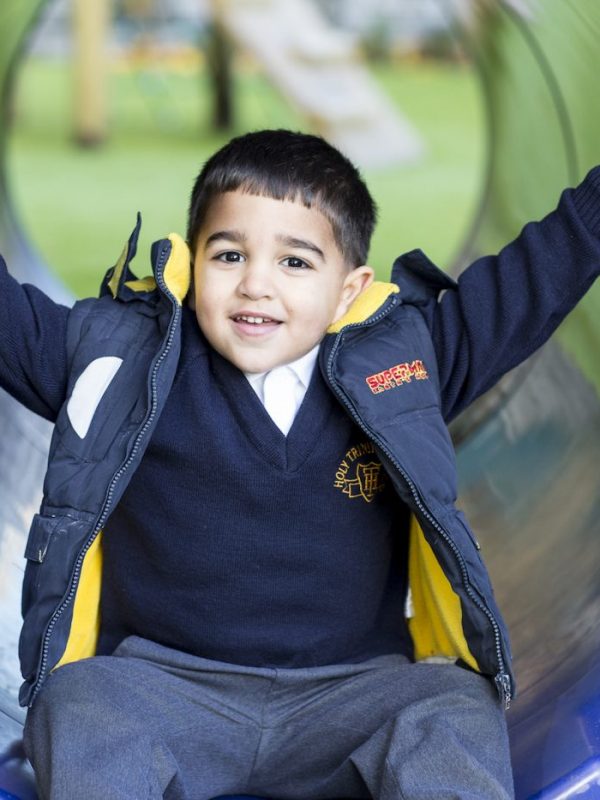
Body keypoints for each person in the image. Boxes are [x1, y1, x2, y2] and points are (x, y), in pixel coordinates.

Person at [2, 129, 598, 800]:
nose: (256, 284)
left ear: (348, 290)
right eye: (229, 254)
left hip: (350, 696)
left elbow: (535, 278)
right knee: (79, 701)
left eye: (295, 262)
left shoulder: (406, 367)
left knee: (450, 705)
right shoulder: (125, 362)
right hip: (166, 689)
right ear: (193, 263)